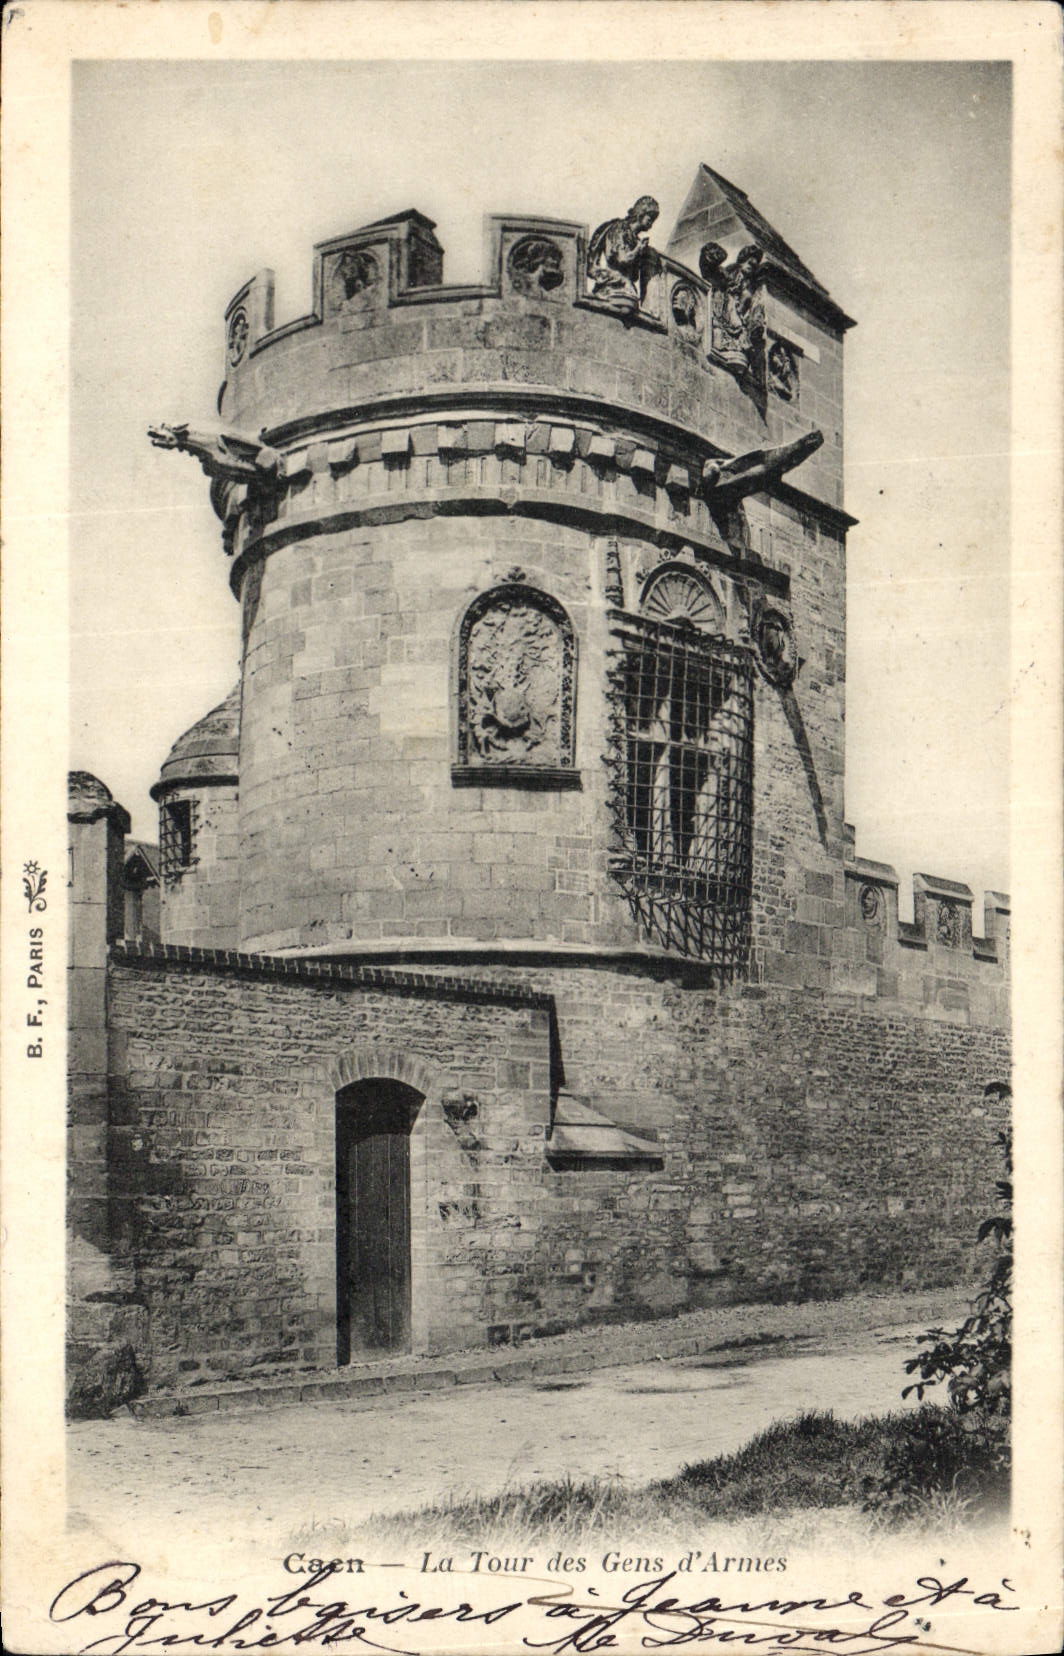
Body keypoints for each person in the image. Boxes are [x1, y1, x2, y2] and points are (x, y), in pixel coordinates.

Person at [587, 196, 661, 316]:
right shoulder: (619, 228)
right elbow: (622, 259)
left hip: (628, 288)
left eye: (653, 220)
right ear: (641, 213)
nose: (651, 223)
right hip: (614, 284)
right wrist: (638, 249)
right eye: (650, 217)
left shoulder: (636, 239)